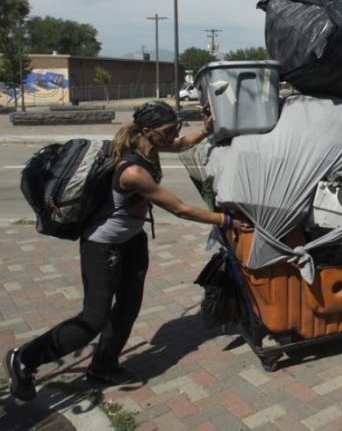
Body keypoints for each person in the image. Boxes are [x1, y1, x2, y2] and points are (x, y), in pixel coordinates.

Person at [5, 100, 253, 402]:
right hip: (102, 246)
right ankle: (25, 358)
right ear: (147, 131)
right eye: (168, 129)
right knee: (93, 318)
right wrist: (226, 219)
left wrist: (205, 131)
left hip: (132, 240)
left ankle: (103, 366)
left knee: (128, 306)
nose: (174, 133)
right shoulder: (132, 170)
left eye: (176, 126)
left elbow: (180, 144)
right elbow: (180, 209)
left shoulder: (152, 146)